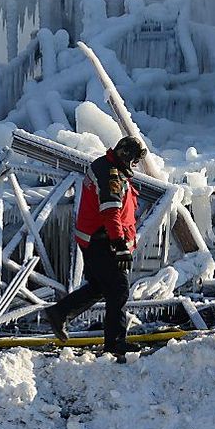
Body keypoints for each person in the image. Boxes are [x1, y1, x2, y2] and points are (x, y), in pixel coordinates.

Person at [44, 136, 147, 357]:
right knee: (119, 289)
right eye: (135, 160)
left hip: (94, 239)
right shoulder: (111, 175)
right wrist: (120, 245)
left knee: (100, 286)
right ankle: (115, 342)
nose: (135, 166)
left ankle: (59, 313)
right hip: (103, 240)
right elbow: (111, 212)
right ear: (126, 156)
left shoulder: (105, 165)